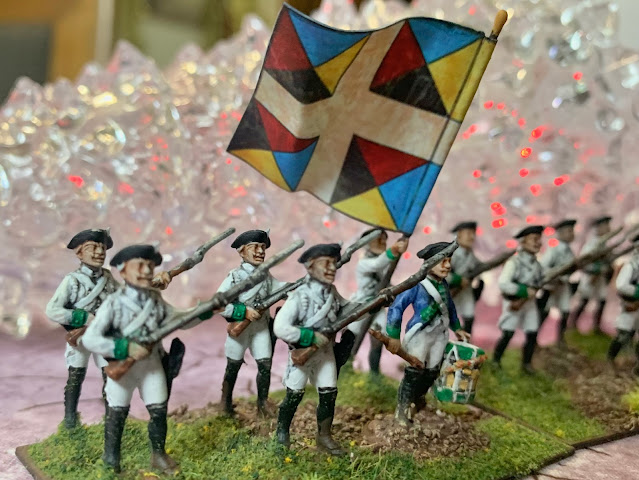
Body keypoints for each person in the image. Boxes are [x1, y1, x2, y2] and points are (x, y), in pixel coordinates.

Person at [83, 244, 188, 474]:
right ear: (123, 270)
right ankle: (111, 458)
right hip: (123, 367)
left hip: (152, 365)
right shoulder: (113, 303)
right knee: (117, 412)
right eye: (139, 265)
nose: (147, 271)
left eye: (150, 265)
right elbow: (90, 339)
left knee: (159, 410)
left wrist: (207, 310)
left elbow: (179, 319)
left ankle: (158, 455)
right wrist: (125, 347)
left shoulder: (155, 299)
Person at [273, 243, 349, 455]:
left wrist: (375, 302)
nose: (332, 268)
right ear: (310, 266)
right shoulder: (300, 296)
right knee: (294, 394)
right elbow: (280, 327)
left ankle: (324, 436)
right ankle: (282, 433)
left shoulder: (332, 293)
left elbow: (348, 308)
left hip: (325, 353)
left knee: (329, 394)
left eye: (334, 263)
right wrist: (310, 336)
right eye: (326, 263)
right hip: (303, 353)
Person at [385, 241, 470, 425]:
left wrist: (457, 328)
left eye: (449, 261)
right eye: (443, 261)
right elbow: (396, 307)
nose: (448, 266)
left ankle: (418, 400)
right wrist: (393, 335)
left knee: (432, 372)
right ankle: (403, 409)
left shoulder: (444, 285)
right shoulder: (416, 284)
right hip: (420, 335)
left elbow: (450, 308)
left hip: (440, 334)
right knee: (414, 373)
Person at [46, 228, 119, 429]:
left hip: (103, 336)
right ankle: (70, 422)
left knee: (111, 377)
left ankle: (112, 421)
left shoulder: (108, 278)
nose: (99, 252)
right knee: (75, 378)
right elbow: (52, 310)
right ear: (79, 253)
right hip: (80, 338)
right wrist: (84, 318)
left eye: (102, 247)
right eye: (92, 247)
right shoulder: (72, 280)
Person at [218, 229, 288, 417]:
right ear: (242, 251)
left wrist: (296, 288)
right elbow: (218, 305)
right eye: (254, 247)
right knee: (233, 366)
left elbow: (281, 288)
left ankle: (262, 403)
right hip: (240, 329)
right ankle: (225, 403)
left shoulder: (266, 275)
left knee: (265, 365)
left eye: (263, 247)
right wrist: (244, 312)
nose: (260, 251)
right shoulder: (234, 277)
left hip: (261, 328)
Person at [346, 228, 408, 374]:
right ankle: (345, 368)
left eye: (384, 239)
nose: (382, 242)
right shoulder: (364, 263)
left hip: (378, 307)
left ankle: (374, 373)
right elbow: (376, 264)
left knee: (379, 340)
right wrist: (393, 251)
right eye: (378, 240)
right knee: (351, 338)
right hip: (361, 305)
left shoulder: (384, 264)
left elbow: (385, 282)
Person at [493, 226, 544, 374]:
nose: (538, 243)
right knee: (508, 332)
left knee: (532, 332)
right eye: (534, 239)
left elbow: (540, 281)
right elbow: (503, 283)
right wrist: (523, 291)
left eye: (539, 239)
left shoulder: (537, 265)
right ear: (523, 242)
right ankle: (496, 361)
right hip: (513, 302)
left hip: (529, 303)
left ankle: (527, 364)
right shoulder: (514, 262)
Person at [571, 216, 614, 333]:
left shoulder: (604, 243)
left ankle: (597, 326)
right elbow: (584, 261)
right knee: (584, 300)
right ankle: (573, 324)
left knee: (602, 300)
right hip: (590, 277)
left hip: (600, 277)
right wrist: (595, 270)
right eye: (605, 225)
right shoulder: (592, 244)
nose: (608, 228)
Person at [537, 219, 577, 345]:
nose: (572, 234)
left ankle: (560, 339)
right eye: (569, 231)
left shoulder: (568, 250)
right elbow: (543, 267)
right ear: (560, 233)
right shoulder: (553, 250)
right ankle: (534, 339)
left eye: (572, 231)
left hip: (563, 286)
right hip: (552, 287)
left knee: (565, 311)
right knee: (544, 311)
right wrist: (556, 276)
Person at [607, 233, 639, 374]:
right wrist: (636, 291)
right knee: (623, 333)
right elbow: (621, 285)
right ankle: (610, 360)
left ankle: (636, 366)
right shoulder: (631, 266)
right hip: (631, 304)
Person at [447, 221, 482, 334]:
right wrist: (458, 280)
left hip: (466, 291)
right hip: (450, 292)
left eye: (473, 233)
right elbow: (444, 274)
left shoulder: (470, 254)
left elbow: (478, 267)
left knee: (469, 316)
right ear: (459, 235)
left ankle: (466, 341)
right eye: (468, 233)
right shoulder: (451, 254)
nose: (472, 237)